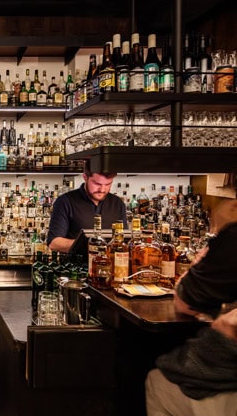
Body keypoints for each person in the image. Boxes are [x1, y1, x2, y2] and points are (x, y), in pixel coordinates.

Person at [145, 198, 237, 415]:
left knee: (157, 381)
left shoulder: (233, 237)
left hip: (229, 375)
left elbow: (186, 302)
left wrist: (221, 233)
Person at [46, 160, 127, 253]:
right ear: (85, 177)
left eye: (108, 184)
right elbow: (54, 243)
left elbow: (124, 239)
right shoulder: (65, 201)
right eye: (97, 184)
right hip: (78, 266)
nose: (102, 189)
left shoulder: (117, 203)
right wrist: (93, 246)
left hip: (111, 265)